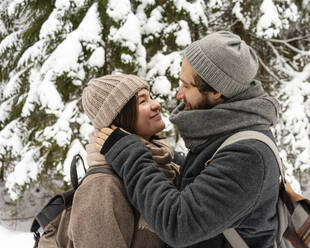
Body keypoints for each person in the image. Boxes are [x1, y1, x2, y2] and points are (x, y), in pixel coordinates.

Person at [95, 31, 281, 248]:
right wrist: (166, 158)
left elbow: (178, 223)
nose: (179, 95)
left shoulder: (248, 156)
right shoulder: (230, 130)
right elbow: (210, 175)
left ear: (217, 92)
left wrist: (129, 154)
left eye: (186, 85)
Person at [68, 74, 179, 248]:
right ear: (117, 120)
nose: (156, 104)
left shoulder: (167, 165)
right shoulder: (102, 187)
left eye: (151, 98)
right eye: (142, 101)